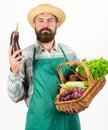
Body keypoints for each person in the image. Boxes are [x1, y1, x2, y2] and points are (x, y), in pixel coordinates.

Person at [7, 3, 81, 130]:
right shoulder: (24, 55)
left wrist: (78, 103)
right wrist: (14, 70)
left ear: (57, 25)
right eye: (40, 20)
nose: (45, 25)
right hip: (38, 124)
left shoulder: (69, 53)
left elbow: (83, 87)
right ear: (34, 25)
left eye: (50, 20)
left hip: (68, 124)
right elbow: (15, 97)